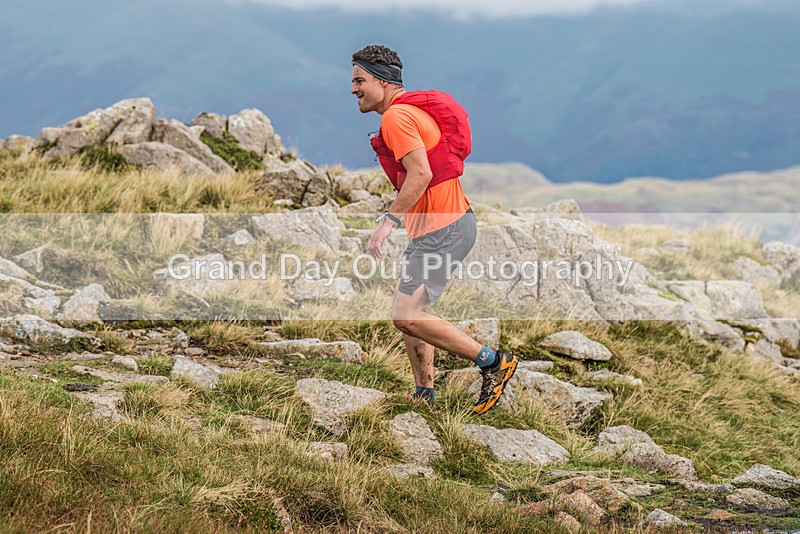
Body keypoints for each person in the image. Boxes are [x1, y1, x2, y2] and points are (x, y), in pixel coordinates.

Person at [350, 44, 518, 414]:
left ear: (382, 81)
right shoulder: (406, 112)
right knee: (411, 313)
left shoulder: (396, 118)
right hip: (442, 226)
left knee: (405, 315)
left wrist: (387, 222)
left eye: (360, 80)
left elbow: (421, 174)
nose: (353, 89)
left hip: (444, 228)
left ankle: (493, 362)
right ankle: (424, 394)